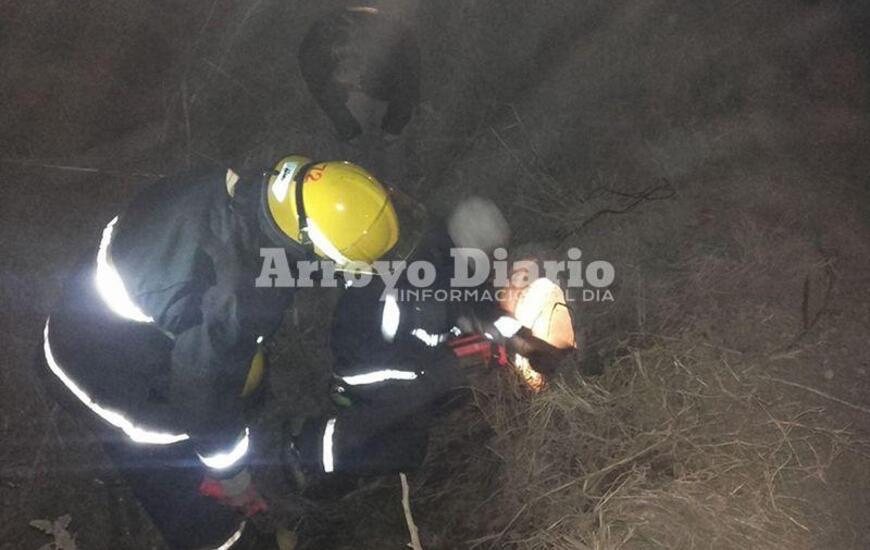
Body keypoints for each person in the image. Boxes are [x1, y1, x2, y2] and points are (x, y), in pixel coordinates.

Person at [38, 156, 403, 550]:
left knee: (233, 378)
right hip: (104, 371)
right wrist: (233, 477)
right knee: (175, 473)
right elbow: (203, 395)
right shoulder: (235, 297)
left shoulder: (243, 189)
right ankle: (229, 539)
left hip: (88, 314)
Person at [298, 6, 421, 141]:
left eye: (356, 71)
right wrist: (348, 131)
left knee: (388, 91)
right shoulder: (311, 57)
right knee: (330, 93)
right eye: (343, 72)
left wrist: (393, 129)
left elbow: (407, 92)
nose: (353, 82)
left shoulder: (399, 49)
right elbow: (321, 92)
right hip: (338, 42)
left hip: (384, 44)